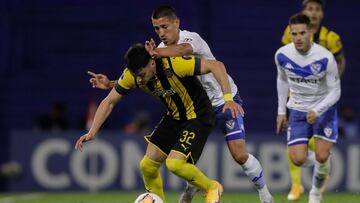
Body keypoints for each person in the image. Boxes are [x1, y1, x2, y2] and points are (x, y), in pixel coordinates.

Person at [88, 5, 273, 203]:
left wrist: (228, 99)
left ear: (177, 23)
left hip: (222, 100)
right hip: (192, 107)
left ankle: (265, 195)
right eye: (156, 29)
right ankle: (192, 185)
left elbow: (183, 51)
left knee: (239, 154)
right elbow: (142, 76)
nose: (161, 32)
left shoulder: (189, 39)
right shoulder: (156, 53)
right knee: (175, 160)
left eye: (165, 27)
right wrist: (112, 84)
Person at [75, 43, 244, 203]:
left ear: (152, 64)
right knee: (147, 166)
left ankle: (212, 187)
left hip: (198, 116)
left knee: (175, 163)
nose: (139, 80)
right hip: (175, 117)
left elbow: (217, 66)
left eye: (141, 74)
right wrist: (92, 132)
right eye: (135, 76)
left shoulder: (174, 64)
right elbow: (109, 101)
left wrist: (228, 99)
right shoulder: (132, 75)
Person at [280, 0, 346, 200]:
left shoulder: (331, 39)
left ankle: (320, 169)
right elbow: (285, 64)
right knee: (296, 151)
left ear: (322, 14)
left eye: (317, 9)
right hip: (298, 101)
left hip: (323, 101)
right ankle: (296, 185)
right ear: (304, 11)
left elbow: (340, 62)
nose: (313, 12)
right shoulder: (289, 32)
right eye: (310, 8)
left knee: (320, 152)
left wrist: (331, 83)